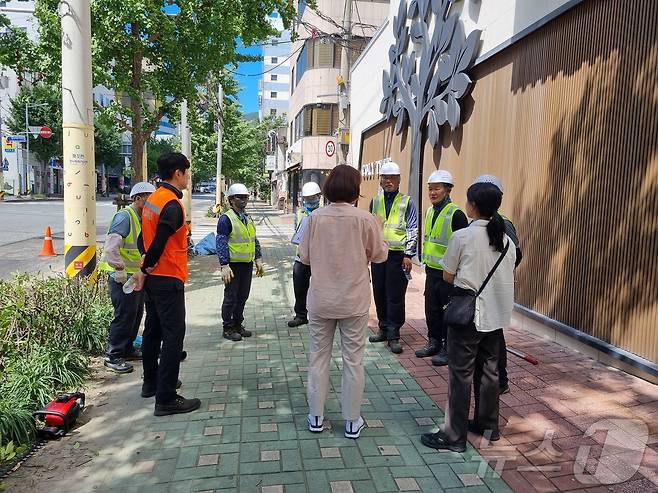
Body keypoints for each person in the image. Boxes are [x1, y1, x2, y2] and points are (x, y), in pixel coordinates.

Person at [421, 182, 516, 452]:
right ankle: (488, 426)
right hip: (495, 315)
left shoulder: (462, 237)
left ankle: (453, 435)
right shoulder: (506, 240)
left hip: (467, 316)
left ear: (472, 205)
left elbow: (448, 275)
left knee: (460, 373)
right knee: (489, 372)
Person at [299, 165, 388, 439]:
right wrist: (379, 229)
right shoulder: (365, 219)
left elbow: (304, 258)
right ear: (355, 189)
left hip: (321, 300)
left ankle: (316, 417)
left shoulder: (314, 219)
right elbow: (380, 256)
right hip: (353, 301)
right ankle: (351, 421)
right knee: (353, 361)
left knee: (318, 357)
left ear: (328, 189)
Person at [133, 152, 200, 416]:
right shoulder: (172, 205)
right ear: (178, 173)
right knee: (173, 336)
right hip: (167, 277)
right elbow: (159, 241)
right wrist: (148, 264)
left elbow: (143, 239)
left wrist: (145, 266)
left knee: (153, 330)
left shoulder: (153, 201)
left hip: (154, 280)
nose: (188, 177)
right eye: (187, 172)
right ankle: (167, 397)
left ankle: (151, 382)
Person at [473, 174, 523, 395]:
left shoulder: (504, 224)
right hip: (481, 289)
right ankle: (493, 379)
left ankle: (500, 380)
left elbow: (515, 255)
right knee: (488, 336)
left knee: (494, 337)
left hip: (492, 289)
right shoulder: (474, 223)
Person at [99, 181, 156, 374]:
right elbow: (111, 247)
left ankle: (128, 348)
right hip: (121, 276)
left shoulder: (143, 218)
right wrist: (119, 269)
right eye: (149, 199)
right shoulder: (125, 217)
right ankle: (113, 356)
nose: (152, 203)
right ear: (136, 198)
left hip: (135, 277)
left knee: (135, 313)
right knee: (124, 315)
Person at [415, 170, 469, 364]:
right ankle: (434, 342)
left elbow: (463, 247)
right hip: (431, 271)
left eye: (436, 188)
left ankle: (448, 347)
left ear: (448, 189)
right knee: (432, 310)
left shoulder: (456, 214)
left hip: (448, 275)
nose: (432, 192)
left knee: (448, 312)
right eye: (430, 189)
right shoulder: (429, 211)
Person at [368, 161, 418, 354]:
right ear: (380, 180)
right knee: (379, 292)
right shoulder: (375, 201)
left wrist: (409, 254)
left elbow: (413, 228)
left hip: (398, 256)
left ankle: (394, 334)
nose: (388, 181)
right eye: (385, 178)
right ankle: (383, 328)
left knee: (395, 295)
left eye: (392, 178)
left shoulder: (407, 202)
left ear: (399, 180)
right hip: (379, 255)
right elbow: (372, 228)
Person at [216, 183, 265, 341]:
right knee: (231, 297)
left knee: (243, 296)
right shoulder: (226, 219)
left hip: (246, 264)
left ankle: (238, 324)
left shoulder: (247, 218)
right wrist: (224, 265)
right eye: (240, 197)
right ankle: (228, 327)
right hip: (233, 266)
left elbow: (253, 239)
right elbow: (221, 242)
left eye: (246, 197)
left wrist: (258, 259)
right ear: (231, 200)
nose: (244, 200)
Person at [288, 181, 322, 327]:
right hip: (301, 256)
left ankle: (322, 315)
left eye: (312, 198)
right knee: (300, 286)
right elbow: (297, 231)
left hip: (320, 258)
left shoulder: (325, 213)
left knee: (321, 287)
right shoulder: (300, 212)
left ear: (319, 196)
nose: (309, 201)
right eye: (307, 198)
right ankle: (301, 315)